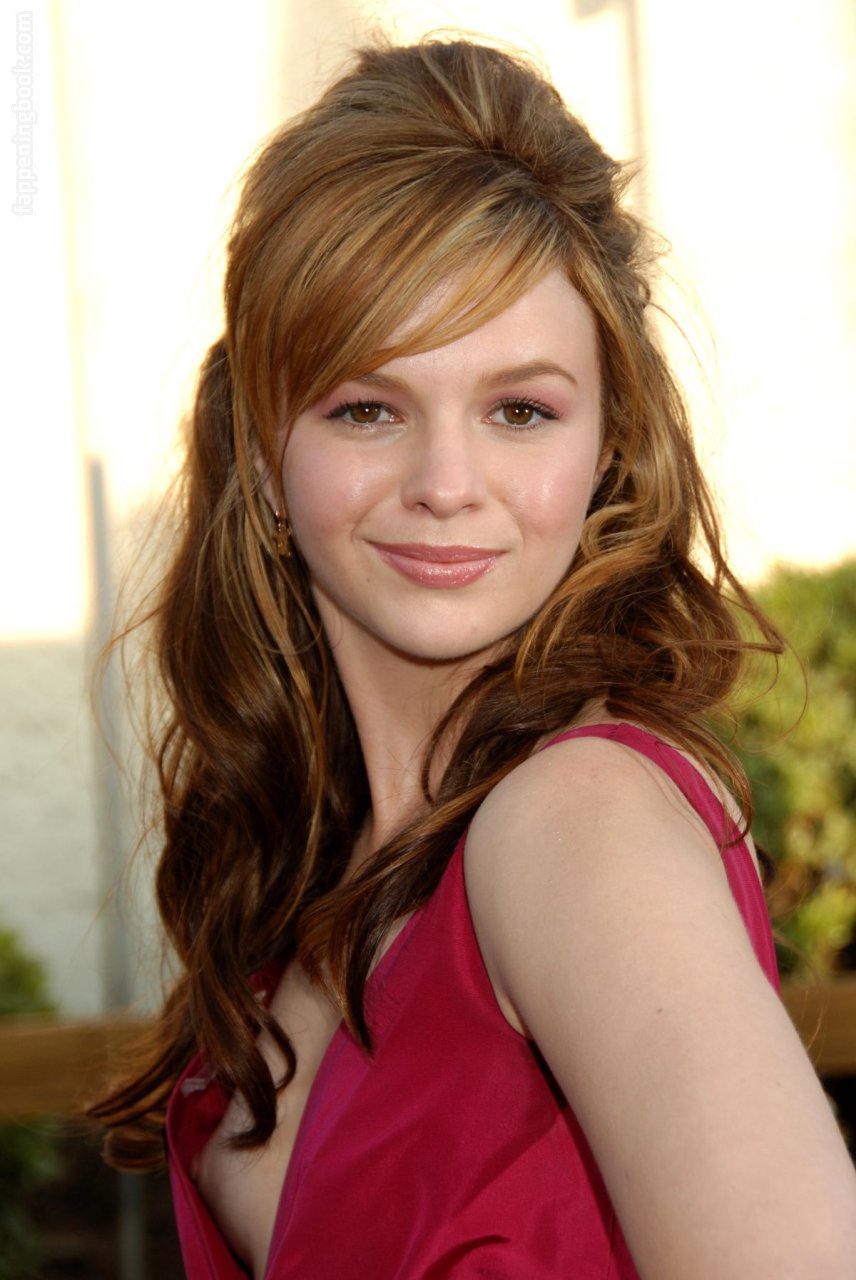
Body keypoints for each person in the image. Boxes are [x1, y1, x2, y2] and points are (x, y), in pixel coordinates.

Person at [91, 37, 856, 1279]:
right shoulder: (307, 885)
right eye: (367, 408)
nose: (446, 483)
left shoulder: (577, 821)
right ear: (267, 459)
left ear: (608, 447)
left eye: (519, 410)